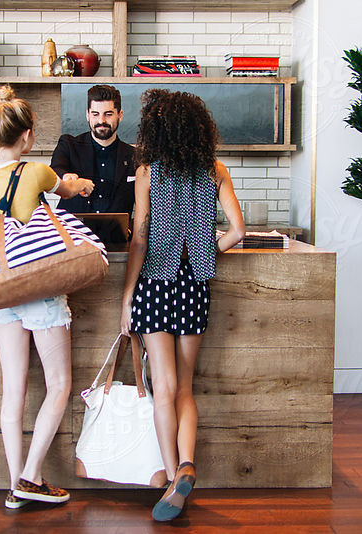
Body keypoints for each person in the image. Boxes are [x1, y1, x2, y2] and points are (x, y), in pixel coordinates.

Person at [0, 85, 95, 510]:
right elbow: (68, 187)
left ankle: (13, 487)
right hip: (38, 285)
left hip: (2, 290)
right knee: (59, 384)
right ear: (26, 135)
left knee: (13, 393)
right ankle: (31, 477)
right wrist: (81, 184)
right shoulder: (36, 171)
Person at [119, 89, 245, 522]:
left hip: (155, 284)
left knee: (163, 390)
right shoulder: (215, 169)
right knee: (187, 389)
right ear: (197, 128)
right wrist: (207, 251)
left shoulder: (147, 173)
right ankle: (187, 461)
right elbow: (238, 231)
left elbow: (138, 239)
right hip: (194, 287)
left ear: (154, 130)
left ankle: (175, 479)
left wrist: (126, 298)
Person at [50, 84, 137, 242]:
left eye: (108, 114)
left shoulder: (135, 157)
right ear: (87, 115)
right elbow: (55, 170)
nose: (101, 121)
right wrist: (66, 177)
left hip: (117, 244)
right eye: (95, 114)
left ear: (120, 115)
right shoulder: (68, 145)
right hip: (71, 243)